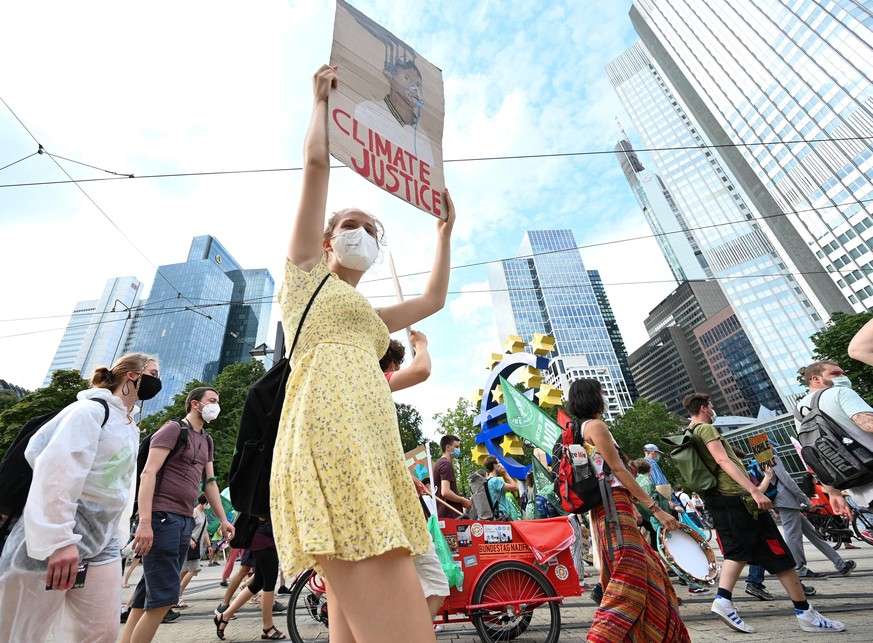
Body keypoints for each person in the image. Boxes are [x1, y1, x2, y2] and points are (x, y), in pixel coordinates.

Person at [269, 64, 456, 643]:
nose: (362, 234)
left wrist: (445, 232)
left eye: (371, 230)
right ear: (326, 243)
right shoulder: (304, 280)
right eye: (350, 225)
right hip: (334, 444)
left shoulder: (369, 319)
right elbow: (316, 166)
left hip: (372, 450)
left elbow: (432, 299)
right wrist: (319, 104)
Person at [0, 353, 159, 642]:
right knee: (21, 632)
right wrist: (59, 540)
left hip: (103, 542)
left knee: (100, 633)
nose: (157, 382)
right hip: (52, 541)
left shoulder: (130, 426)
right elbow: (55, 470)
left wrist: (120, 534)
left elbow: (120, 487)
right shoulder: (89, 411)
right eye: (153, 373)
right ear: (133, 376)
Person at [684, 392, 845, 633]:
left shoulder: (688, 433)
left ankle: (723, 601)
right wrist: (754, 491)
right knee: (779, 554)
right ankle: (805, 613)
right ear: (705, 408)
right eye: (712, 406)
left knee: (735, 552)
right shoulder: (706, 430)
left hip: (717, 500)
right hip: (737, 498)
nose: (714, 410)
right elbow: (723, 460)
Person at [565, 378, 690, 642]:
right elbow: (619, 470)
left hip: (610, 510)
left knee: (649, 574)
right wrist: (655, 509)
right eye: (601, 392)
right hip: (613, 509)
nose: (605, 396)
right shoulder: (596, 426)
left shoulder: (582, 428)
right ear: (593, 397)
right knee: (629, 583)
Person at [122, 386, 235, 643]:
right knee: (165, 598)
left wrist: (225, 520)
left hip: (185, 520)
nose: (216, 406)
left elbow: (210, 484)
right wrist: (145, 521)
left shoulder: (206, 440)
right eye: (212, 401)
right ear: (195, 404)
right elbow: (148, 473)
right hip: (162, 517)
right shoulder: (173, 429)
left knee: (146, 594)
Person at [796, 361, 873, 511]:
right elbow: (868, 424)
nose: (843, 377)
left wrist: (833, 493)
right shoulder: (840, 392)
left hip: (858, 487)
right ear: (816, 379)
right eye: (835, 373)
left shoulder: (799, 412)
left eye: (843, 373)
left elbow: (815, 456)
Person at [213, 515, 285, 640]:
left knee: (258, 583)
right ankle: (268, 627)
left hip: (261, 540)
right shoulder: (263, 495)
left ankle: (224, 616)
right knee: (269, 583)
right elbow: (261, 515)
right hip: (265, 541)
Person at [176, 494, 211, 609]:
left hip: (197, 546)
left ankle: (176, 596)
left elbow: (205, 531)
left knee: (184, 571)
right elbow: (186, 527)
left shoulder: (204, 515)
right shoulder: (194, 511)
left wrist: (209, 545)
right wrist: (190, 539)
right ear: (205, 502)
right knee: (193, 569)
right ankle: (178, 596)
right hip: (189, 544)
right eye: (209, 502)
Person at [434, 435, 472, 518]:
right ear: (448, 447)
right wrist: (462, 500)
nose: (459, 450)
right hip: (449, 514)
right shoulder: (446, 464)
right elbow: (445, 492)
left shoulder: (439, 463)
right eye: (456, 447)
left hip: (442, 513)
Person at [484, 456, 520, 520]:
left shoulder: (488, 480)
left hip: (495, 516)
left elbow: (509, 486)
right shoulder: (496, 481)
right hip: (501, 516)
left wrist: (503, 474)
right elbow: (515, 487)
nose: (501, 464)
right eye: (499, 462)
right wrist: (505, 473)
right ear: (495, 466)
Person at [643, 443, 674, 513]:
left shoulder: (642, 463)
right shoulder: (652, 463)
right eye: (658, 453)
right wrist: (668, 501)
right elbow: (660, 483)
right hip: (664, 500)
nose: (658, 456)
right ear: (654, 452)